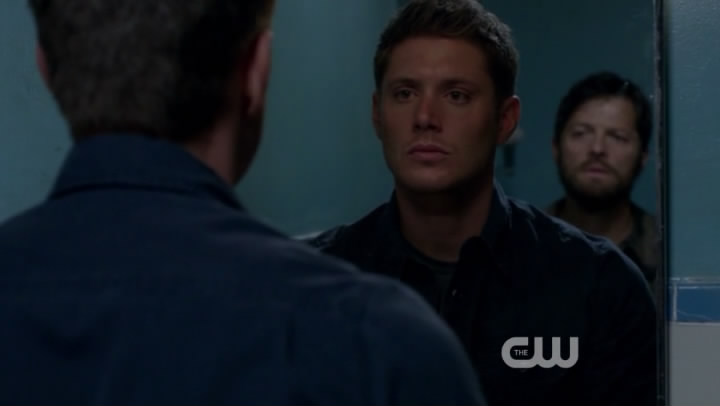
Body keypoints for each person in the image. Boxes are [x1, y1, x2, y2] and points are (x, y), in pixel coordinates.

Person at [0, 1, 486, 404]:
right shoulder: (378, 348)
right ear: (256, 70)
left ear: (46, 69)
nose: (426, 117)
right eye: (405, 93)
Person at [305, 0, 657, 404]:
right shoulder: (316, 284)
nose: (425, 116)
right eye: (404, 93)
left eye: (456, 95)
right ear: (377, 115)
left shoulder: (599, 286)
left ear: (505, 119)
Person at [546, 71, 659, 286]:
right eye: (581, 133)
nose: (597, 149)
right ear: (556, 148)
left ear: (643, 156)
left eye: (617, 137)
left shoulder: (666, 250)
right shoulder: (519, 243)